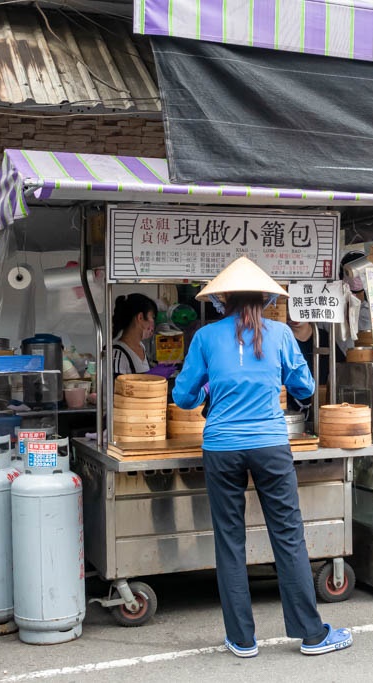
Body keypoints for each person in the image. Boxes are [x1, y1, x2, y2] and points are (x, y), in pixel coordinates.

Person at [171, 256, 353, 659]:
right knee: (288, 536)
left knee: (230, 540)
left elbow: (182, 396)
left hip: (221, 447)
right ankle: (311, 634)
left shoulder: (204, 337)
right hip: (271, 445)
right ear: (265, 298)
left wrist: (206, 392)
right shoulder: (281, 334)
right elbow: (304, 388)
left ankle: (242, 639)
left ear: (224, 300)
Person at [111, 293, 157, 375]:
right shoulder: (118, 353)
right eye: (152, 317)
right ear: (140, 317)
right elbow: (117, 386)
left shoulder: (141, 346)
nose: (153, 323)